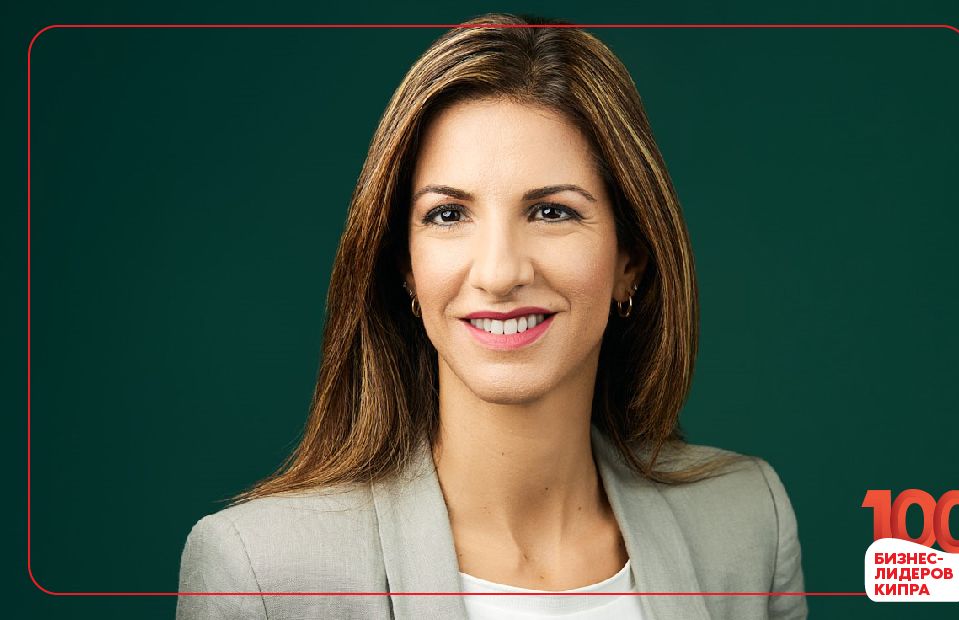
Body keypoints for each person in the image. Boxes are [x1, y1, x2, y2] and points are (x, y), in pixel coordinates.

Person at [176, 12, 806, 620]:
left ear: (630, 260)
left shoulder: (745, 521)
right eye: (448, 215)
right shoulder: (262, 572)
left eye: (552, 212)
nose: (500, 273)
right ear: (405, 267)